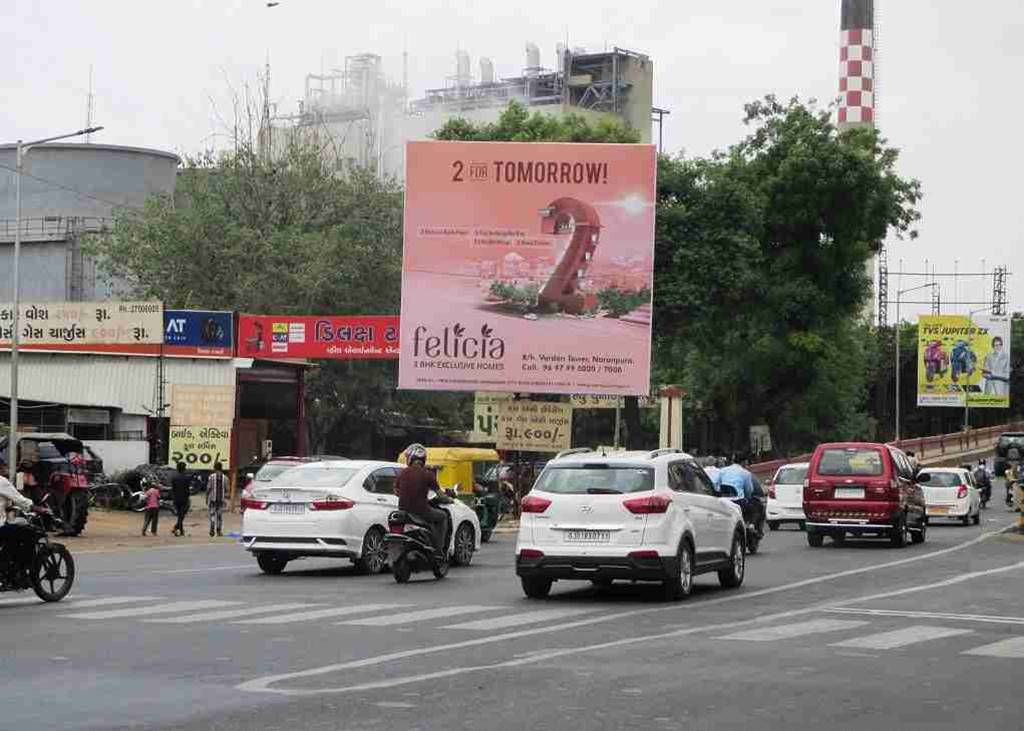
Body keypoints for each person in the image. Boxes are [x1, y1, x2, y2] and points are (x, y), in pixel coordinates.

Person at [396, 443, 448, 555]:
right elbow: (440, 495)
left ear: (410, 459)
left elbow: (396, 492)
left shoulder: (402, 473)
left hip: (403, 511)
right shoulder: (428, 474)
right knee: (443, 516)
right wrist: (448, 499)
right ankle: (439, 549)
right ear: (423, 460)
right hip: (422, 511)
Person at [0, 471, 41, 584]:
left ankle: (7, 565)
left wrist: (8, 507)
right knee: (30, 533)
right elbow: (20, 500)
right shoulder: (2, 482)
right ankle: (22, 571)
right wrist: (35, 508)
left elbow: (6, 503)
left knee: (12, 534)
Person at [206, 462, 228, 537]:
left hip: (212, 499)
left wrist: (207, 497)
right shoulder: (225, 477)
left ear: (215, 468)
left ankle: (212, 526)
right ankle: (218, 531)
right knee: (219, 515)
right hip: (220, 499)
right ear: (221, 468)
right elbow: (227, 489)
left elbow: (208, 488)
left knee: (212, 513)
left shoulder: (211, 477)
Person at [170, 462, 191, 537]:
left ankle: (181, 531)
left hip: (176, 498)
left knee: (180, 515)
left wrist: (173, 498)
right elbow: (187, 490)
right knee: (182, 515)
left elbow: (173, 489)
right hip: (184, 498)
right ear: (184, 469)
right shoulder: (187, 478)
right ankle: (176, 527)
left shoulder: (174, 478)